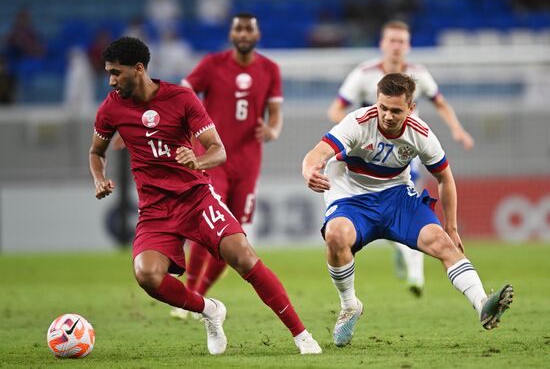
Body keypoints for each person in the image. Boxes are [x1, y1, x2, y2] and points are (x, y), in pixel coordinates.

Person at [89, 36, 321, 355]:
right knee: (146, 275)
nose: (112, 80)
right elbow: (96, 151)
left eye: (116, 72)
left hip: (197, 200)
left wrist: (196, 160)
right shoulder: (112, 107)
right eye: (109, 73)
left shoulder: (181, 98)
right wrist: (99, 177)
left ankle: (302, 336)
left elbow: (218, 151)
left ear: (138, 69)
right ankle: (209, 310)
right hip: (155, 212)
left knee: (245, 259)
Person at [303, 72, 513, 347]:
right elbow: (316, 154)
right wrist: (309, 170)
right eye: (383, 108)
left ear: (411, 109)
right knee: (336, 235)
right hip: (352, 197)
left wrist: (451, 227)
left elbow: (445, 178)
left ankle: (483, 304)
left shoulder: (421, 134)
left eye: (396, 110)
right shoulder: (357, 122)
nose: (388, 116)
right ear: (376, 102)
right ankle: (350, 305)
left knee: (442, 242)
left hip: (397, 198)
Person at [327, 20, 475, 297]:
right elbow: (336, 110)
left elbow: (440, 103)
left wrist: (458, 130)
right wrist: (356, 131)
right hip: (369, 155)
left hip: (407, 152)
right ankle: (400, 249)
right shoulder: (364, 74)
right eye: (392, 40)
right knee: (387, 211)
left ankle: (415, 273)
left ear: (408, 45)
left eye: (401, 41)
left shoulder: (419, 74)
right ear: (382, 43)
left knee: (410, 203)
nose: (396, 46)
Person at [170, 12, 284, 320]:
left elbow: (275, 113)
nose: (244, 34)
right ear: (231, 34)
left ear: (257, 35)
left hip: (248, 163)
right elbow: (182, 94)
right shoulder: (211, 64)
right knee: (208, 222)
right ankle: (190, 296)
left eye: (249, 28)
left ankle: (198, 296)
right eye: (239, 29)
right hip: (211, 158)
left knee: (234, 233)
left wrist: (272, 130)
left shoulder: (270, 69)